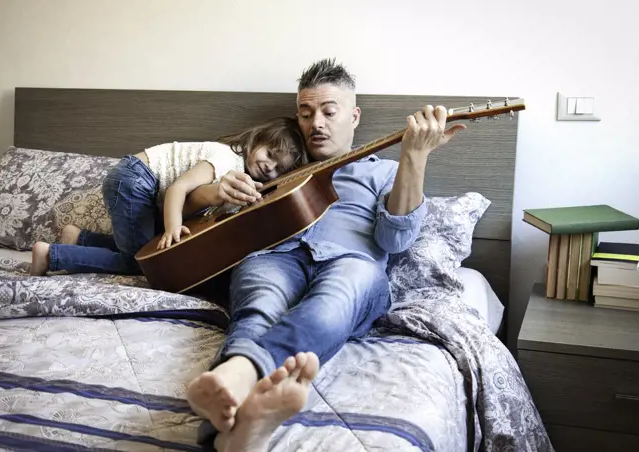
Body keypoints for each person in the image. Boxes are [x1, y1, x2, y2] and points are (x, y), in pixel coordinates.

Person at [184, 58, 466, 452]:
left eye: (328, 112)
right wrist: (216, 192)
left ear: (353, 117)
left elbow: (394, 240)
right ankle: (235, 435)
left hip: (352, 264)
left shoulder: (384, 170)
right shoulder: (278, 169)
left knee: (334, 302)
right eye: (305, 113)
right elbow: (189, 214)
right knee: (258, 307)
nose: (316, 122)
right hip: (277, 256)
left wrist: (414, 157)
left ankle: (242, 370)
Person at [30, 116, 308, 277]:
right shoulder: (225, 160)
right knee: (142, 263)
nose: (269, 166)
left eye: (278, 168)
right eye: (270, 154)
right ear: (256, 140)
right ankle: (51, 255)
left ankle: (79, 238)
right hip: (134, 179)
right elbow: (177, 189)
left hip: (134, 179)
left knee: (141, 245)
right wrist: (174, 228)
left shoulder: (238, 176)